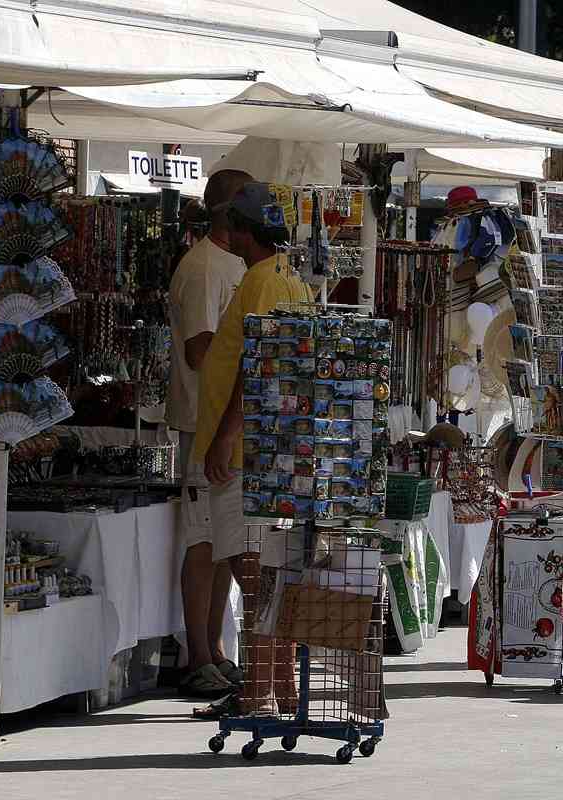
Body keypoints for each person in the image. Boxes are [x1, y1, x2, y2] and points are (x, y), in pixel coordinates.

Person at [195, 181, 313, 715]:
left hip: (249, 456)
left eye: (233, 226)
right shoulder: (287, 279)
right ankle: (278, 687)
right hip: (271, 452)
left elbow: (259, 366)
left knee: (255, 579)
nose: (228, 234)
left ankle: (257, 691)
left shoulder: (264, 281)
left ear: (246, 231)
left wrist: (225, 436)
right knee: (266, 580)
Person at [166, 169, 252, 697]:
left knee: (222, 540)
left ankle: (216, 647)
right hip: (203, 422)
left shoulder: (233, 264)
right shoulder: (201, 268)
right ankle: (197, 653)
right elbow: (200, 353)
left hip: (223, 422)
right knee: (203, 541)